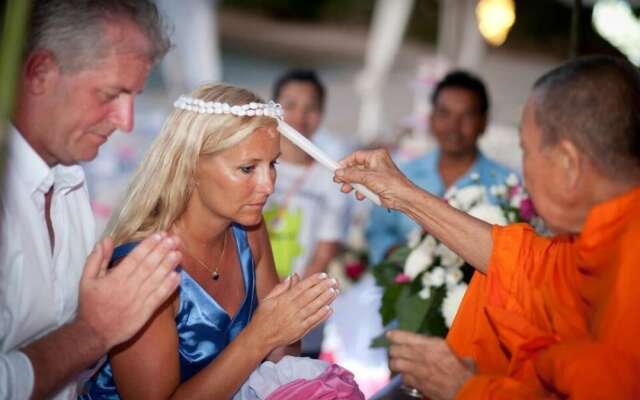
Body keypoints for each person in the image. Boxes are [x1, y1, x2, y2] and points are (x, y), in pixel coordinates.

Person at [334, 55, 640, 399]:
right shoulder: (610, 231)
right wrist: (403, 195)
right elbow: (518, 263)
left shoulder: (630, 275)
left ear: (568, 163)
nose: (524, 170)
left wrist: (466, 389)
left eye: (526, 151)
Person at [81, 83, 339, 399]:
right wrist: (259, 336)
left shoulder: (250, 233)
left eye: (273, 164)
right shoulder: (144, 266)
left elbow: (282, 364)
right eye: (248, 168)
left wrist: (291, 322)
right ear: (190, 166)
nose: (268, 185)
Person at [0, 2, 182, 399]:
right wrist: (94, 332)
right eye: (110, 94)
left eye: (134, 96)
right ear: (40, 72)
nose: (126, 121)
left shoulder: (71, 181)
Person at [366, 70, 514, 265]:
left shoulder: (508, 185)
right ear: (431, 118)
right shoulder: (402, 174)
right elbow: (378, 232)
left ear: (484, 122)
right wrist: (403, 259)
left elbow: (512, 252)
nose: (454, 126)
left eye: (467, 115)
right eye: (444, 114)